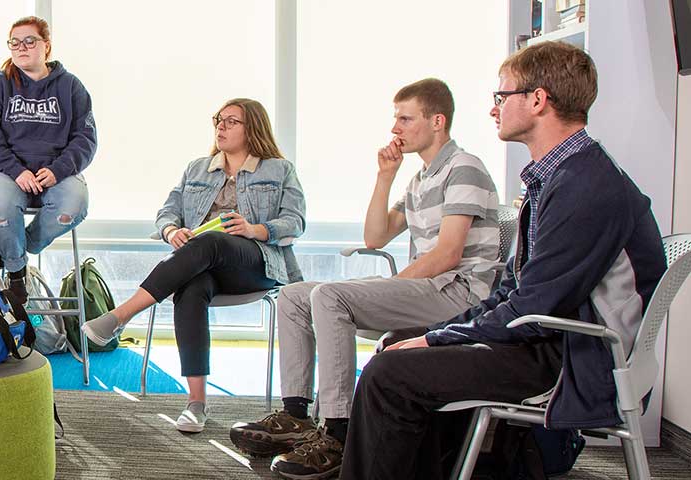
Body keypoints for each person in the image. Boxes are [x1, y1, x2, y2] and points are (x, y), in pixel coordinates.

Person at [340, 41, 667, 479]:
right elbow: (516, 290)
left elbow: (532, 308)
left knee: (390, 374)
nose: (494, 109)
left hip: (574, 354)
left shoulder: (585, 186)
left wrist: (438, 340)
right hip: (554, 338)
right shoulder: (561, 176)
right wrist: (436, 334)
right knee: (402, 341)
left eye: (502, 96)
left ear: (537, 100)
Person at [229, 79, 502, 479]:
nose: (396, 128)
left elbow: (448, 254)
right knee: (294, 295)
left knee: (329, 297)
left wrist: (390, 287)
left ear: (437, 121)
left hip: (459, 292)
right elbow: (376, 236)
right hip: (431, 287)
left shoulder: (464, 169)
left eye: (406, 119)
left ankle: (337, 431)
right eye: (396, 118)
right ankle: (295, 415)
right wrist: (385, 176)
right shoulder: (421, 178)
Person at [81, 98, 305, 433]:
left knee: (211, 242)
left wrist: (253, 229)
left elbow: (295, 221)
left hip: (256, 263)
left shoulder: (278, 169)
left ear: (253, 128)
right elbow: (166, 213)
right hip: (205, 264)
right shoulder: (197, 168)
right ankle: (196, 404)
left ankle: (121, 315)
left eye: (231, 121)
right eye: (219, 119)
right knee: (191, 287)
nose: (221, 126)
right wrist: (172, 230)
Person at [0, 15, 97, 301]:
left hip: (54, 173)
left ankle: (11, 252)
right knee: (1, 202)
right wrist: (17, 171)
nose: (21, 47)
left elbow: (86, 139)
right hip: (6, 172)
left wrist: (58, 170)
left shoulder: (71, 87)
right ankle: (16, 273)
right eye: (14, 42)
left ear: (47, 46)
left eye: (30, 41)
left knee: (74, 203)